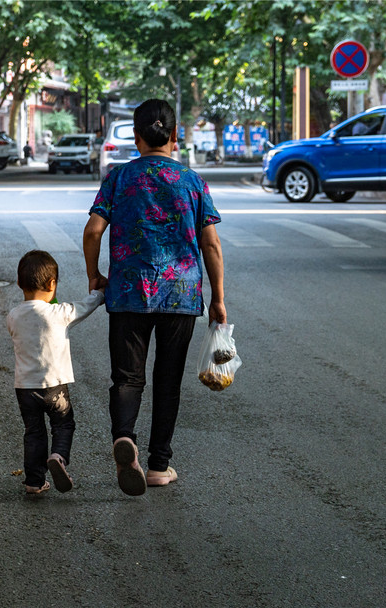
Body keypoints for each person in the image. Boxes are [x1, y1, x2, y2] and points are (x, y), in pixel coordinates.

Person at [82, 98, 226, 497]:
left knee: (127, 377)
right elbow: (210, 246)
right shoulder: (192, 181)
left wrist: (95, 275)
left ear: (137, 135)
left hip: (128, 290)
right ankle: (159, 465)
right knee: (168, 380)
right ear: (175, 135)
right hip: (181, 293)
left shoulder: (119, 178)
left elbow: (93, 231)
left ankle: (123, 438)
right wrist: (218, 298)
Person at [6, 250, 105, 495]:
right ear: (52, 284)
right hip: (54, 387)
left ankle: (34, 481)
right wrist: (100, 293)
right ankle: (59, 457)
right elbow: (85, 306)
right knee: (63, 425)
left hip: (25, 389)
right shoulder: (59, 313)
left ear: (20, 283)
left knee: (34, 433)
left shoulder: (13, 316)